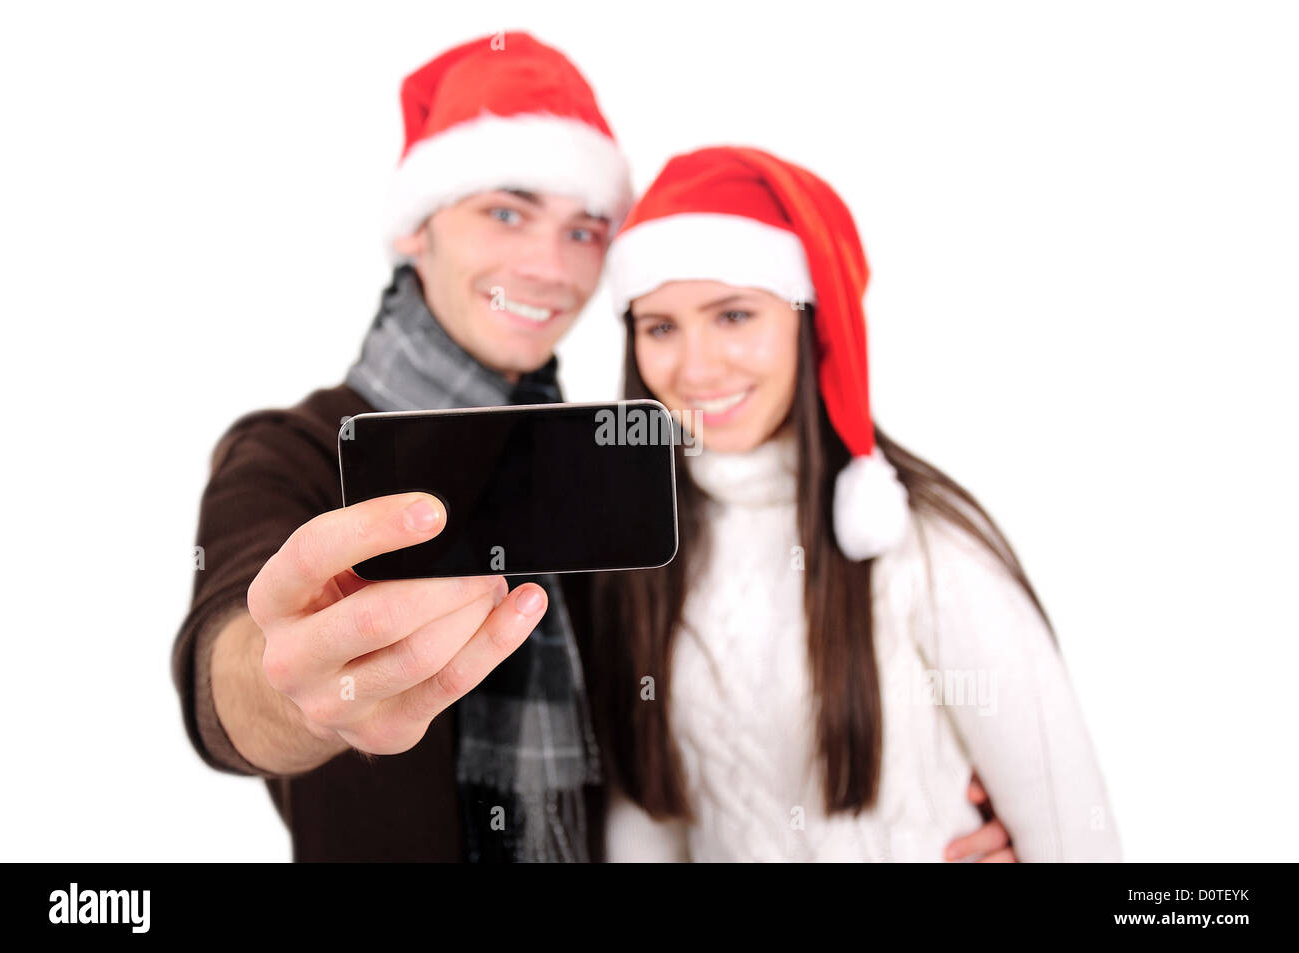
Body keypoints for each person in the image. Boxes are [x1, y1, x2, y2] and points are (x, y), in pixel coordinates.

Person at [172, 33, 1017, 863]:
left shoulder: (605, 466)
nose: (548, 266)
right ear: (413, 228)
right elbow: (227, 681)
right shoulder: (293, 451)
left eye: (584, 231)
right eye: (505, 212)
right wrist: (300, 689)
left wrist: (944, 798)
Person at [590, 145, 1122, 861]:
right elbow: (648, 824)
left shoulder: (918, 542)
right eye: (661, 327)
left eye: (735, 315)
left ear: (809, 322)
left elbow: (1072, 826)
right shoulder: (645, 552)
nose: (696, 367)